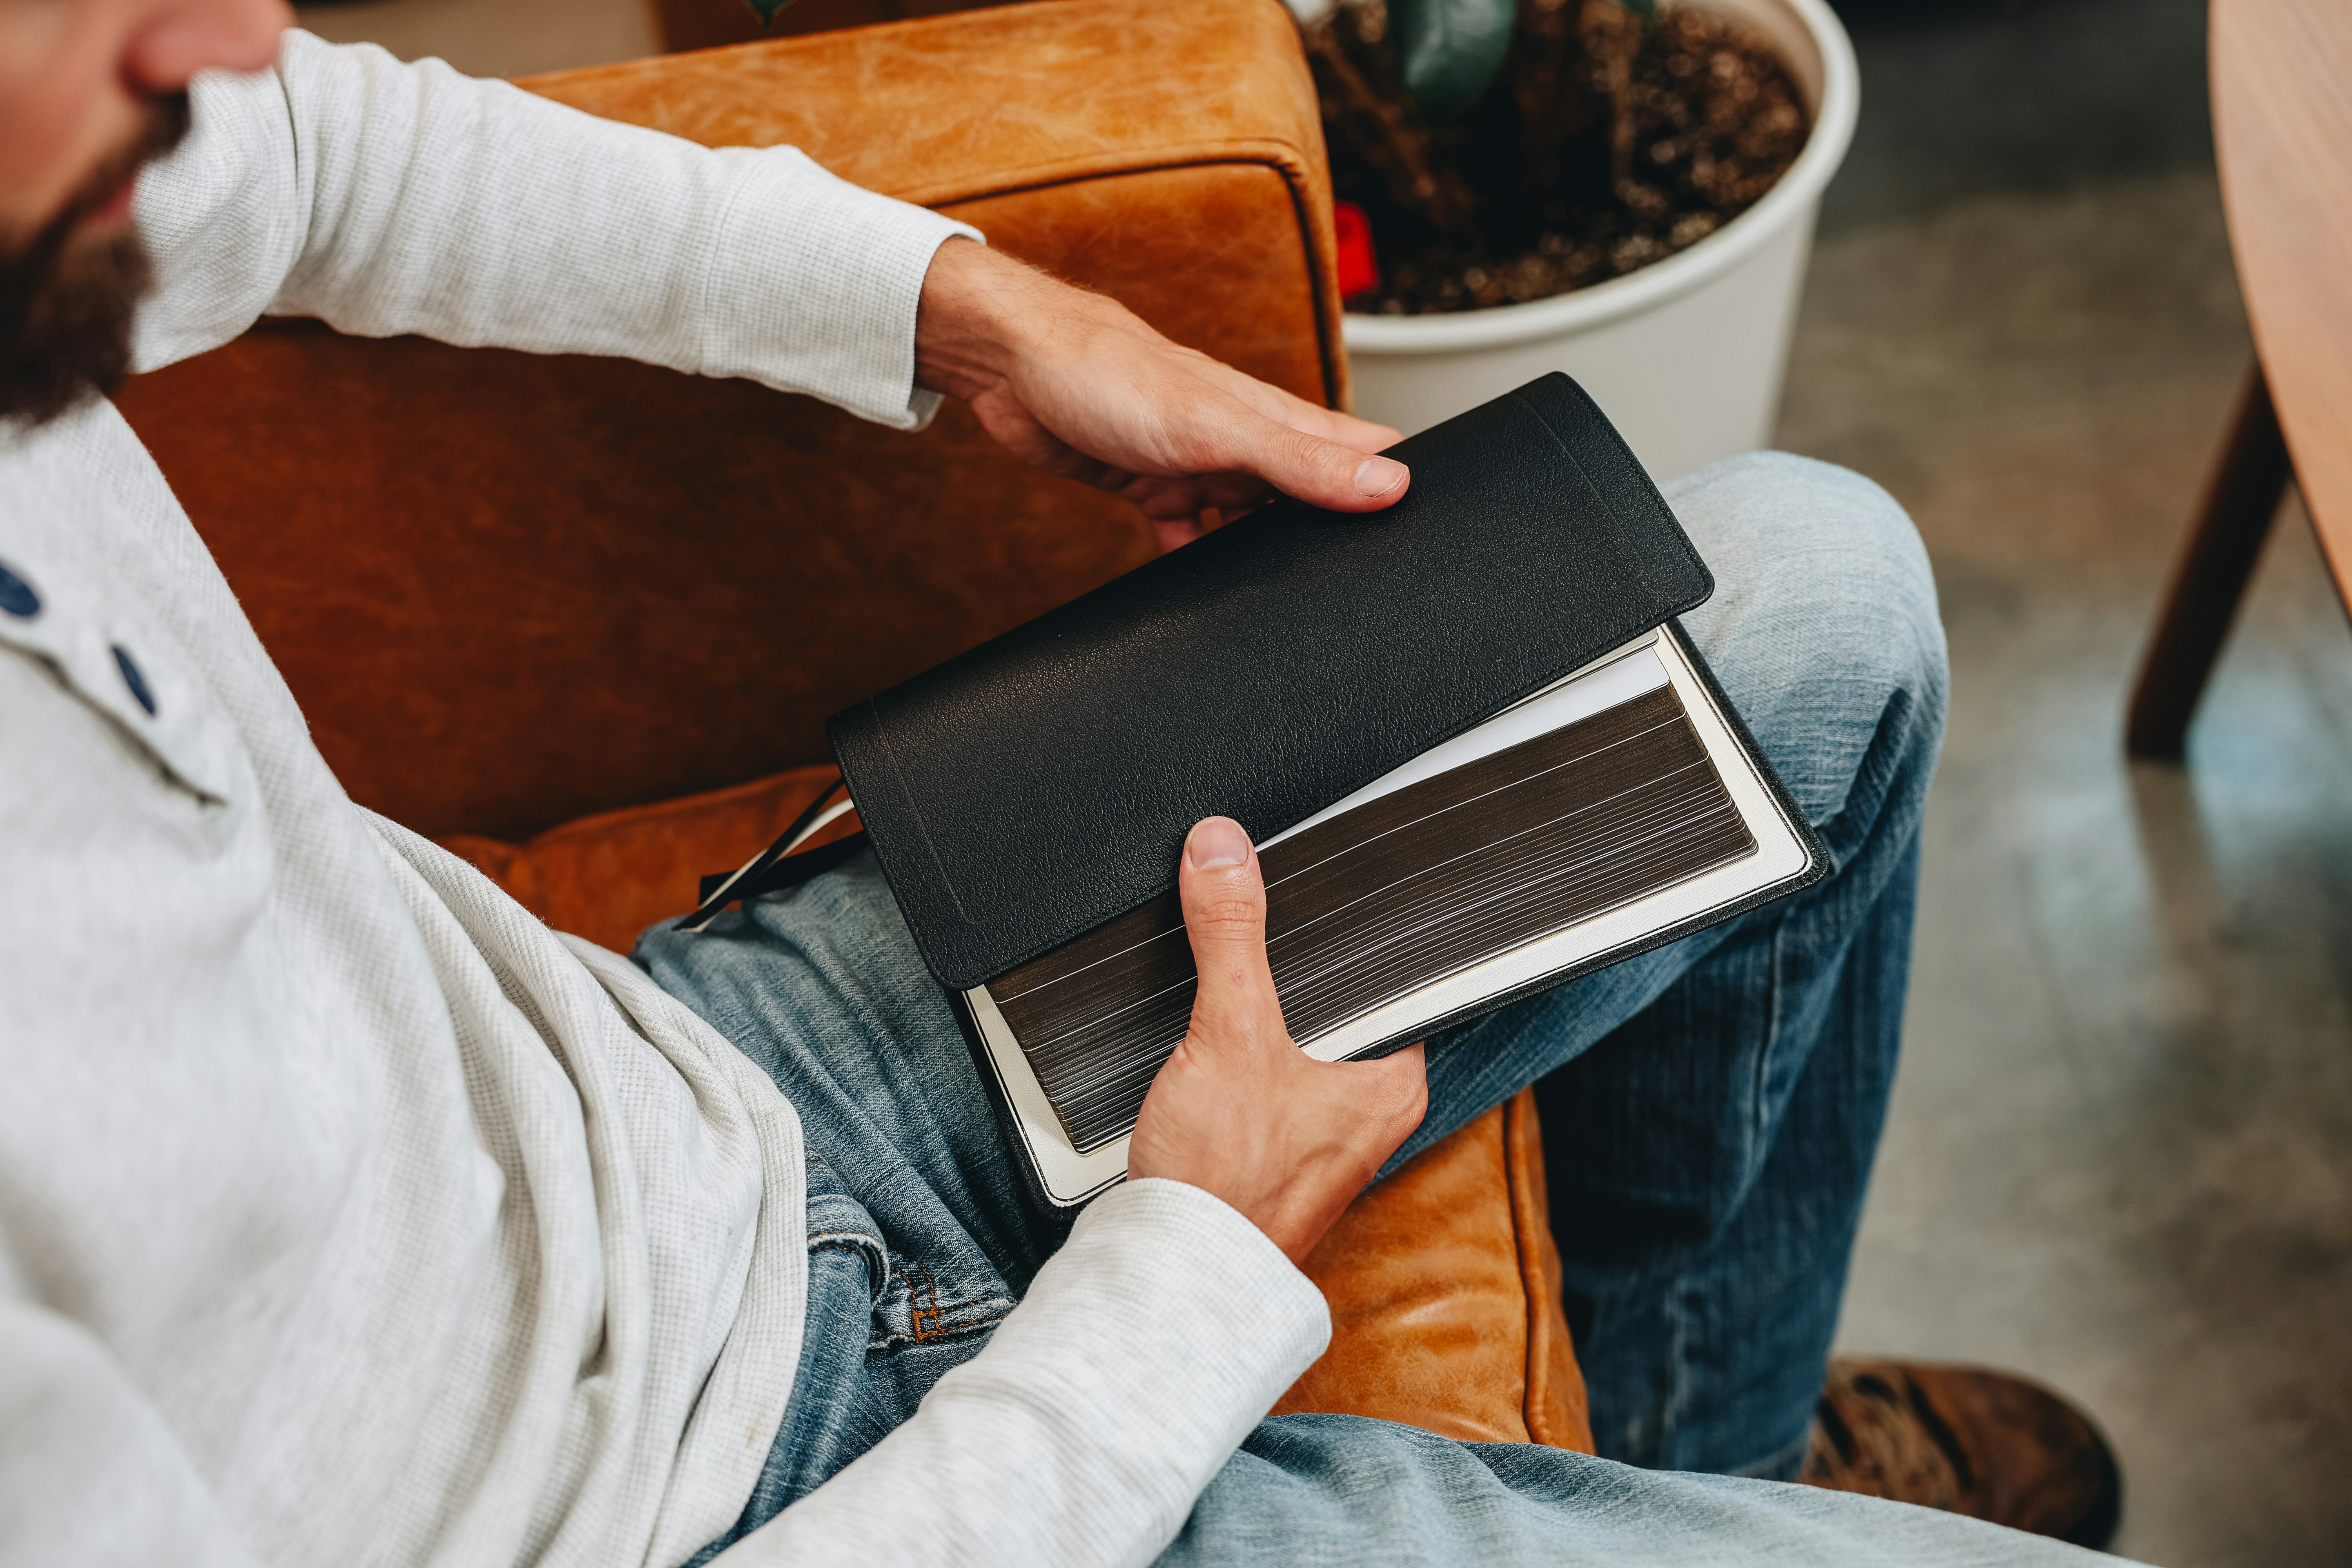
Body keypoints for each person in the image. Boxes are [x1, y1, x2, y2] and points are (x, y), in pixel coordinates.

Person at [0, 0, 2125, 1559]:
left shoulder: (62, 133)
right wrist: (1186, 1281)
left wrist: (960, 304)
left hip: (674, 1105)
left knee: (1813, 596)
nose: (232, 31)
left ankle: (1705, 1443)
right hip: (741, 1512)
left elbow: (316, 163)